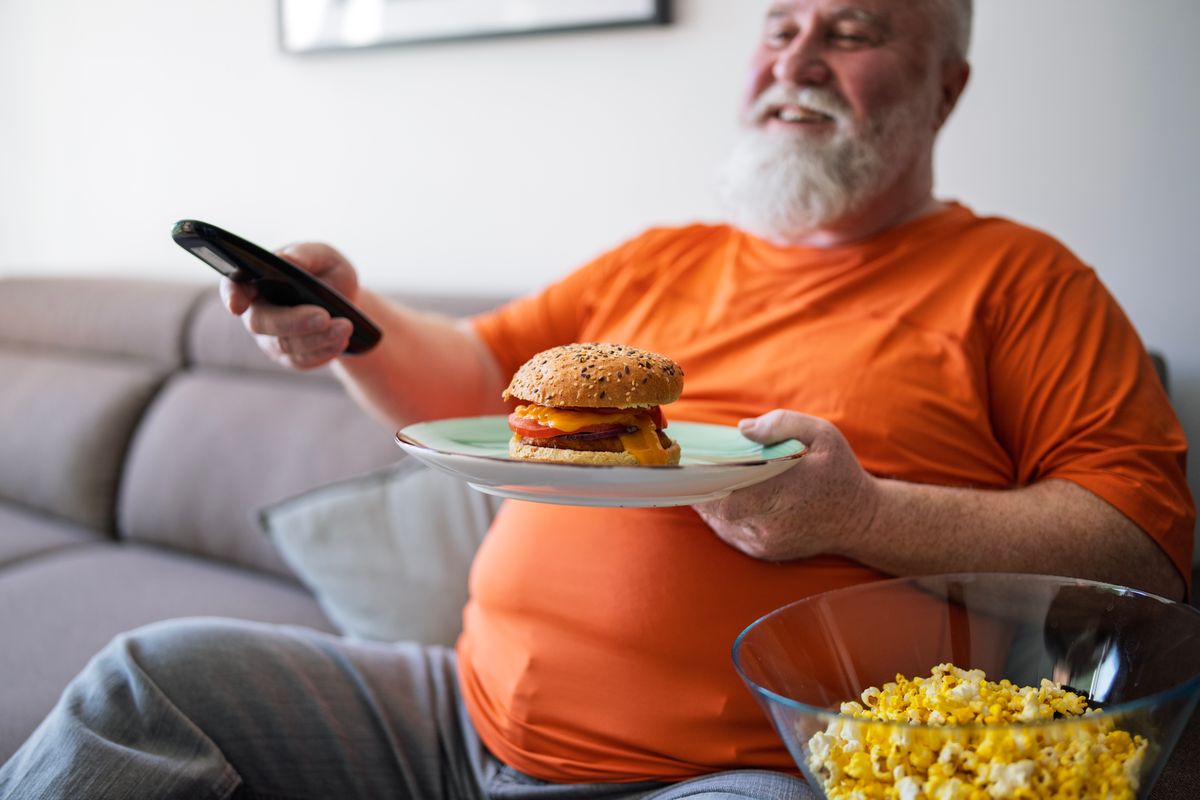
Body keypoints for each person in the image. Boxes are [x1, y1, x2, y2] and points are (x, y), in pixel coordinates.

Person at [1, 0, 1192, 798]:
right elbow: (470, 377)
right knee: (144, 682)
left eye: (853, 29)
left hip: (729, 771)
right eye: (779, 26)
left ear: (947, 86)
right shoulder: (661, 257)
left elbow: (1145, 548)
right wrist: (349, 316)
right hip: (450, 718)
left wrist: (863, 514)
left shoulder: (1021, 280)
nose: (797, 59)